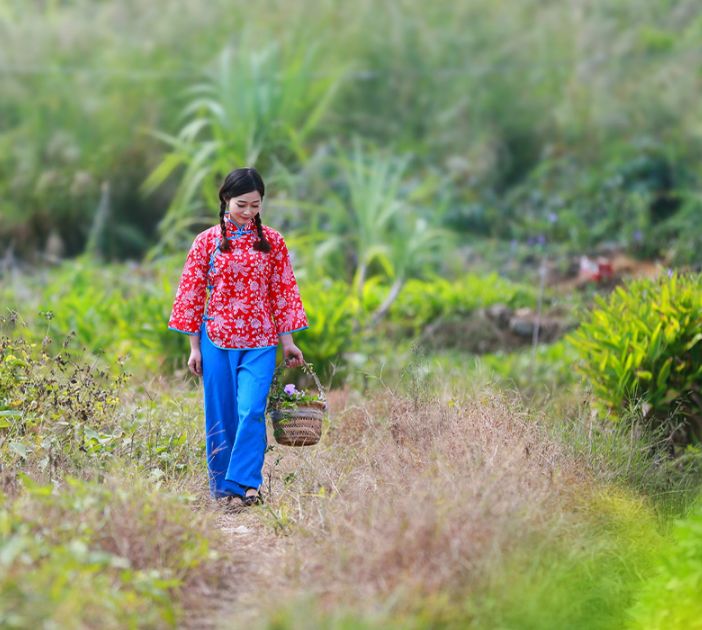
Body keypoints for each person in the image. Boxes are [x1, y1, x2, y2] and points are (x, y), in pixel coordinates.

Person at [167, 167, 308, 510]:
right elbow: (191, 292)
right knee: (221, 413)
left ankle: (246, 484)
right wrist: (193, 347)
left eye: (255, 205)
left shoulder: (272, 241)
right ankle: (223, 489)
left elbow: (282, 291)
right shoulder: (207, 242)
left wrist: (287, 341)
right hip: (215, 338)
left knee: (251, 410)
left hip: (260, 340)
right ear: (226, 200)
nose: (248, 212)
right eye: (241, 204)